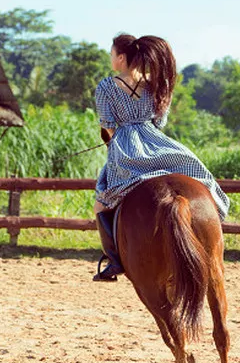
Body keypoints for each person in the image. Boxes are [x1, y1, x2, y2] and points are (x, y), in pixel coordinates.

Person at [92, 33, 230, 282]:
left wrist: (121, 140)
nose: (111, 59)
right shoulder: (155, 83)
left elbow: (108, 126)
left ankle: (113, 262)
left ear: (121, 58)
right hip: (157, 142)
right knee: (198, 174)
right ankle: (215, 221)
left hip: (124, 146)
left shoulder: (106, 87)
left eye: (112, 55)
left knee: (102, 200)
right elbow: (160, 122)